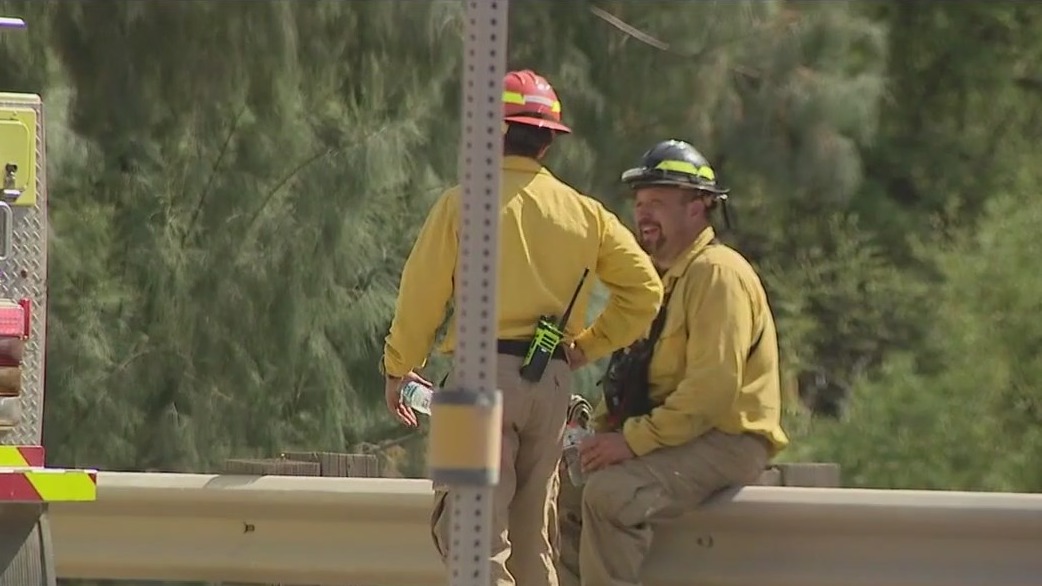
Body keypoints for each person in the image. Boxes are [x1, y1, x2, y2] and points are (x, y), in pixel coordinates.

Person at [380, 69, 664, 586]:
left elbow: (421, 297)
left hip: (476, 381)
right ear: (548, 143)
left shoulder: (463, 203)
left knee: (472, 540)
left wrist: (399, 368)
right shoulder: (585, 213)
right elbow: (645, 291)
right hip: (550, 383)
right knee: (533, 541)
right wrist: (585, 348)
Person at [555, 139, 790, 586]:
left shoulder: (717, 274)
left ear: (698, 208)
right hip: (674, 435)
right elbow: (634, 377)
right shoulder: (660, 282)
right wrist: (598, 435)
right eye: (640, 203)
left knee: (610, 495)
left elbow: (711, 392)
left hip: (726, 440)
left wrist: (630, 442)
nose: (643, 215)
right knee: (563, 488)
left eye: (657, 203)